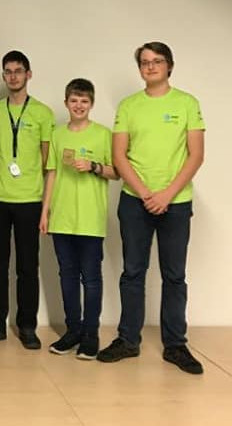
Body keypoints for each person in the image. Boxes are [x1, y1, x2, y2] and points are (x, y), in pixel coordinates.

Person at [97, 42, 205, 375]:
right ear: (140, 68)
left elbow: (196, 155)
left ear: (169, 65)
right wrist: (146, 194)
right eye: (144, 62)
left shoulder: (187, 103)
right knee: (133, 272)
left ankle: (176, 345)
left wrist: (167, 195)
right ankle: (128, 340)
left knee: (174, 275)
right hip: (135, 201)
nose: (151, 66)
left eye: (157, 61)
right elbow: (119, 156)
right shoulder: (129, 106)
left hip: (176, 202)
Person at [0, 50, 55, 349]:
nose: (13, 76)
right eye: (8, 71)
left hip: (29, 200)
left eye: (18, 71)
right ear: (4, 76)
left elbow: (46, 160)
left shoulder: (43, 113)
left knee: (27, 267)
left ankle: (27, 325)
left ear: (28, 74)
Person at [39, 78, 118, 360]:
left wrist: (94, 166)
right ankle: (72, 331)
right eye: (74, 100)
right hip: (62, 217)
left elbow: (116, 172)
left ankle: (90, 335)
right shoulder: (57, 135)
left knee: (91, 279)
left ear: (91, 104)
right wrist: (45, 211)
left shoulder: (103, 135)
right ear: (66, 103)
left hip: (90, 219)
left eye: (84, 101)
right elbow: (52, 173)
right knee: (67, 276)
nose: (79, 105)